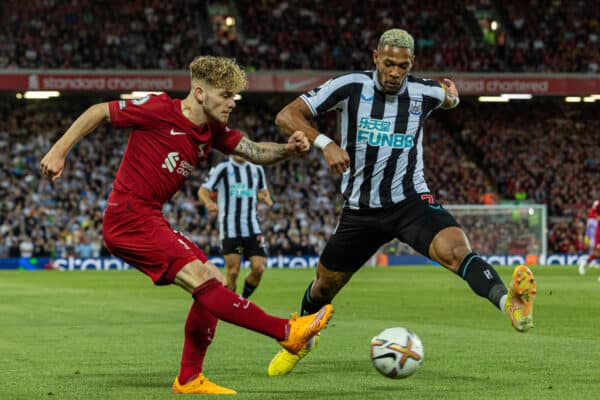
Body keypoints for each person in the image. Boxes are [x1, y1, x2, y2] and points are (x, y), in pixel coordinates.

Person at [40, 55, 333, 394]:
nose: (232, 103)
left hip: (148, 217)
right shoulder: (159, 109)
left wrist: (288, 150)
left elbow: (254, 151)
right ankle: (286, 332)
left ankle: (189, 378)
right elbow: (98, 111)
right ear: (198, 93)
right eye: (225, 95)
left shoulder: (212, 131)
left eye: (234, 97)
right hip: (129, 218)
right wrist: (59, 151)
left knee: (213, 279)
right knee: (205, 281)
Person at [267, 28, 537, 376]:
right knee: (325, 284)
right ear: (375, 57)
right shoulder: (350, 86)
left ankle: (509, 303)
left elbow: (449, 97)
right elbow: (286, 116)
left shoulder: (424, 91)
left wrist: (452, 96)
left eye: (403, 66)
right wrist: (326, 144)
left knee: (456, 250)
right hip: (361, 210)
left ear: (412, 65)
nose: (395, 73)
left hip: (410, 202)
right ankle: (302, 338)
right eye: (389, 63)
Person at [198, 152, 273, 298]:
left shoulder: (257, 169)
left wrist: (265, 197)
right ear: (232, 150)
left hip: (253, 228)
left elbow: (261, 192)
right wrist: (208, 202)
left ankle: (242, 300)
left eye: (244, 149)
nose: (241, 152)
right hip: (230, 228)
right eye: (238, 149)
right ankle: (231, 306)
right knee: (233, 272)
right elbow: (203, 190)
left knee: (259, 268)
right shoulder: (222, 168)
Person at [578, 199, 600, 275]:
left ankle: (585, 261)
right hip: (599, 231)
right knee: (597, 252)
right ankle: (586, 262)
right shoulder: (598, 203)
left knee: (598, 253)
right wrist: (597, 217)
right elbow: (593, 212)